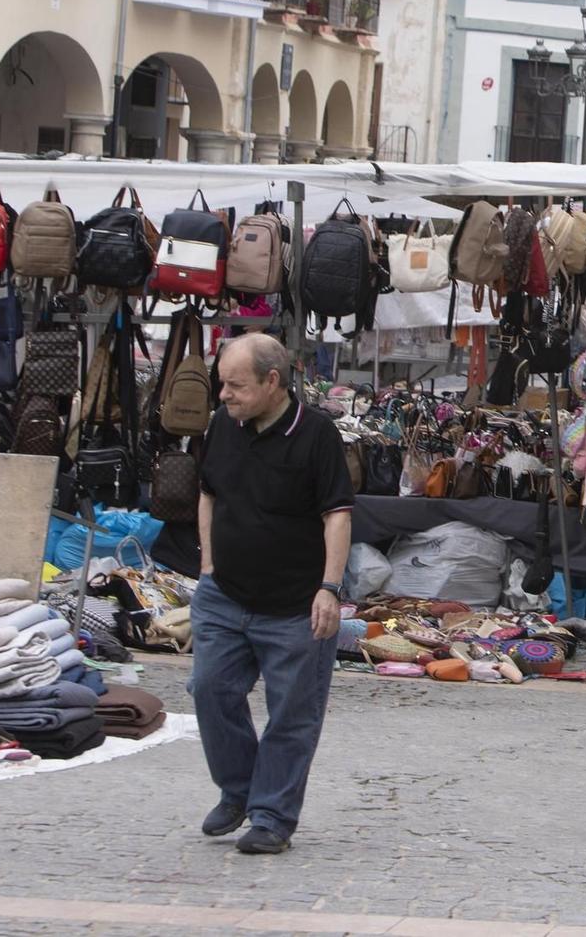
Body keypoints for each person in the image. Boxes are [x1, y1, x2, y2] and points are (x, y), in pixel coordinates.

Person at [192, 334, 354, 855]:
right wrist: (207, 564)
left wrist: (329, 587)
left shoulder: (317, 435)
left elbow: (337, 514)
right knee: (209, 689)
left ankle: (272, 816)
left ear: (272, 382)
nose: (224, 395)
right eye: (223, 384)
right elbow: (208, 494)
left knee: (291, 714)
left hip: (295, 606)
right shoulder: (222, 426)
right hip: (225, 596)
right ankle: (239, 790)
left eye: (236, 385)